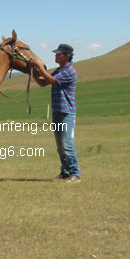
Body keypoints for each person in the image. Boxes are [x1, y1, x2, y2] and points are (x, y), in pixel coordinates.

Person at [32, 43, 81, 183]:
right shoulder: (59, 70)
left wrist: (40, 67)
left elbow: (51, 80)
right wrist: (35, 72)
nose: (55, 55)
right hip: (57, 111)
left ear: (67, 56)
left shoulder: (69, 71)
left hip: (66, 113)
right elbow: (43, 83)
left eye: (58, 54)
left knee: (67, 145)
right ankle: (65, 172)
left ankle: (75, 173)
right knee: (60, 147)